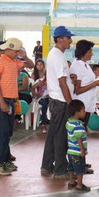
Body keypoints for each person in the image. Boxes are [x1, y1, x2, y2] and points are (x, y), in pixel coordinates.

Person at [0, 38, 34, 175]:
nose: (17, 54)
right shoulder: (0, 61)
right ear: (8, 50)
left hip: (10, 100)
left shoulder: (15, 62)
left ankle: (4, 160)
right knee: (0, 132)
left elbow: (32, 65)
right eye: (15, 51)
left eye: (18, 52)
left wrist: (25, 55)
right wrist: (2, 102)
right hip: (0, 100)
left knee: (7, 132)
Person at [41, 26, 75, 179]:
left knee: (53, 135)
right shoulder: (59, 56)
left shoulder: (54, 54)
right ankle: (60, 169)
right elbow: (62, 83)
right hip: (61, 101)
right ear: (60, 38)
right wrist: (70, 103)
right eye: (68, 38)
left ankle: (47, 166)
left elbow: (62, 79)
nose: (70, 41)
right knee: (61, 136)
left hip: (56, 100)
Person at [70, 40, 99, 131]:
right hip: (80, 105)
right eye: (90, 51)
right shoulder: (76, 66)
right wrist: (95, 83)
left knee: (82, 132)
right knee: (78, 133)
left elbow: (90, 82)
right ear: (85, 52)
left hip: (87, 104)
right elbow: (77, 90)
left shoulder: (85, 65)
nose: (92, 54)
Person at [66, 99, 90, 192]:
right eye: (83, 110)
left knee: (71, 167)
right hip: (77, 152)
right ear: (77, 112)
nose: (85, 112)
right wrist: (82, 150)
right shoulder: (78, 125)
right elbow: (79, 138)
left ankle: (71, 182)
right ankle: (79, 185)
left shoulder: (69, 122)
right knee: (80, 169)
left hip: (70, 151)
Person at [31, 58, 49, 133]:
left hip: (48, 95)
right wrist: (36, 94)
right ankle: (43, 123)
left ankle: (47, 120)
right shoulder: (34, 75)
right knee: (44, 103)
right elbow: (32, 88)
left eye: (41, 64)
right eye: (37, 65)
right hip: (38, 97)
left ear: (43, 65)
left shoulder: (47, 74)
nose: (39, 66)